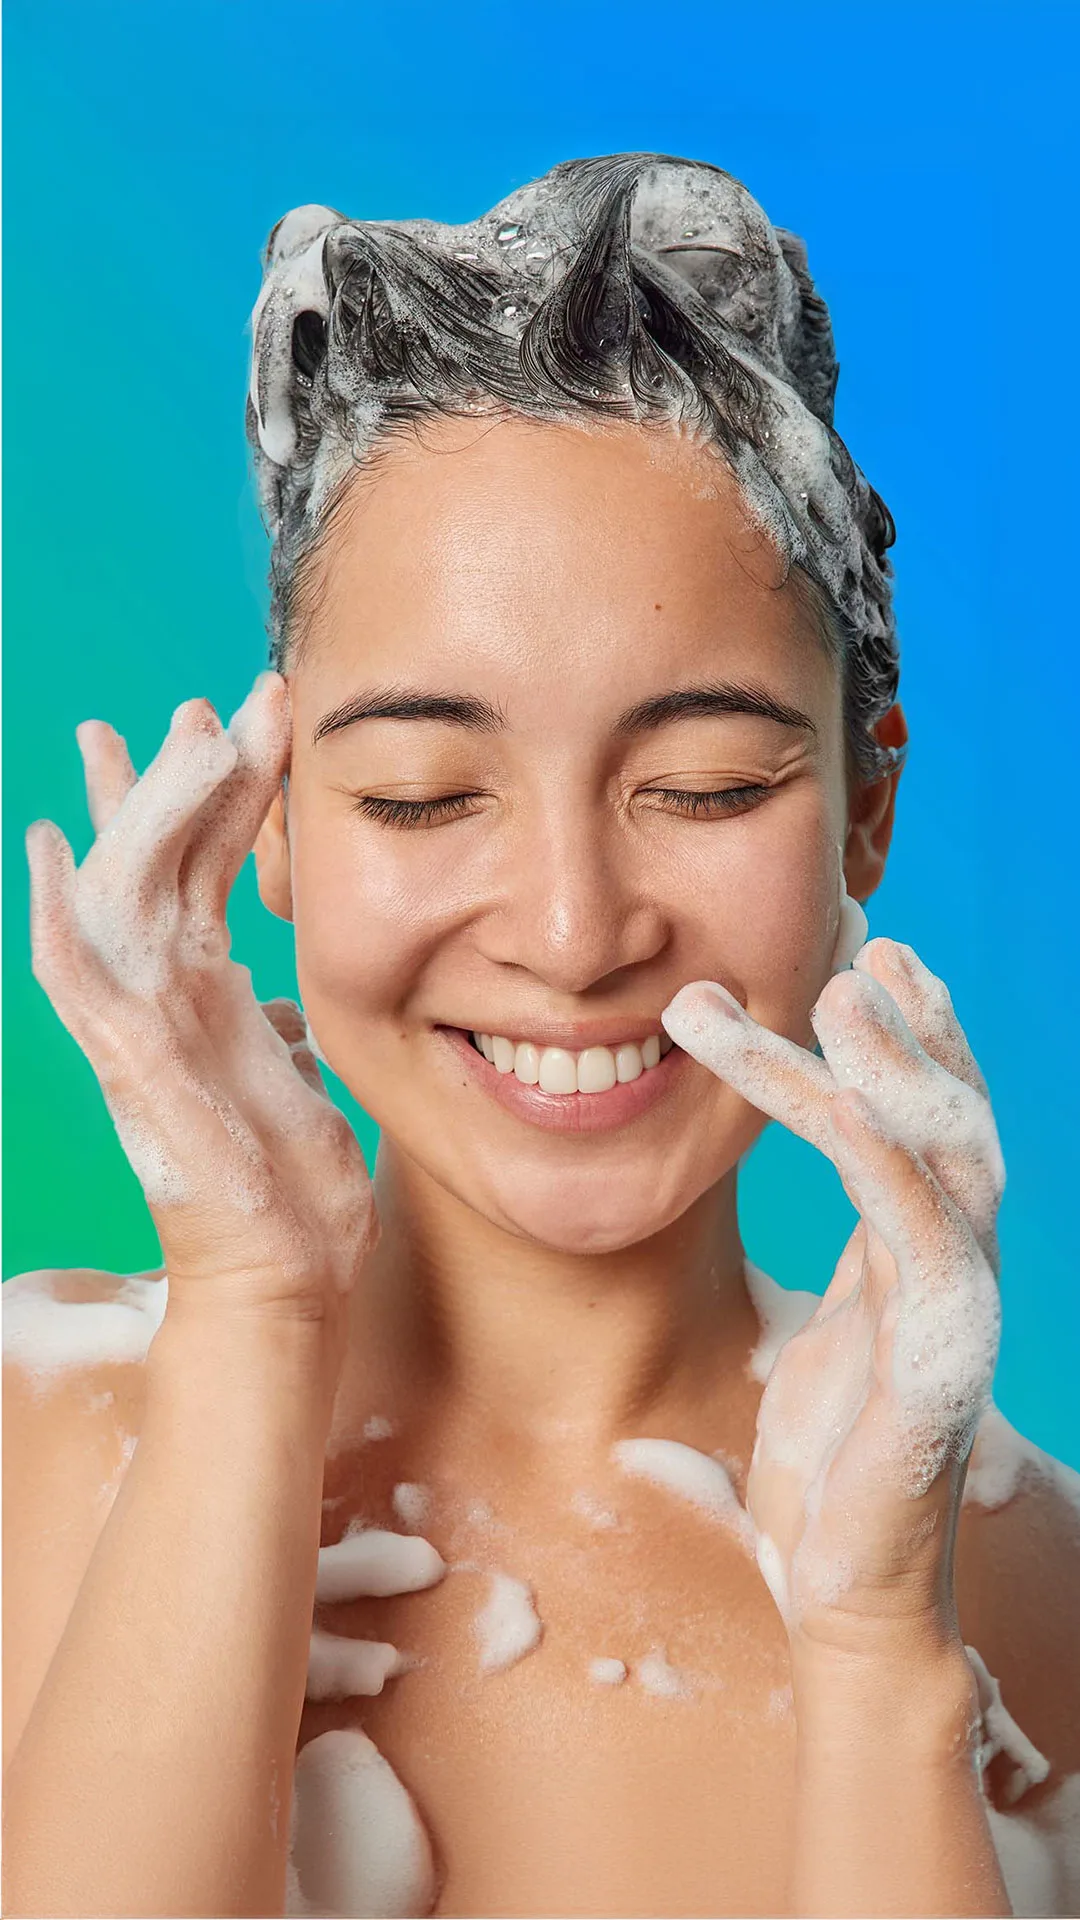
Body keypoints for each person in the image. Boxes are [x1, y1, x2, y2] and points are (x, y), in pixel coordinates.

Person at [3, 151, 1078, 1920]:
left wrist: (884, 1657)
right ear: (265, 818)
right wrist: (250, 1325)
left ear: (867, 809)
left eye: (704, 786)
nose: (577, 937)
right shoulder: (34, 1450)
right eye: (426, 796)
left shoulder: (1040, 1598)